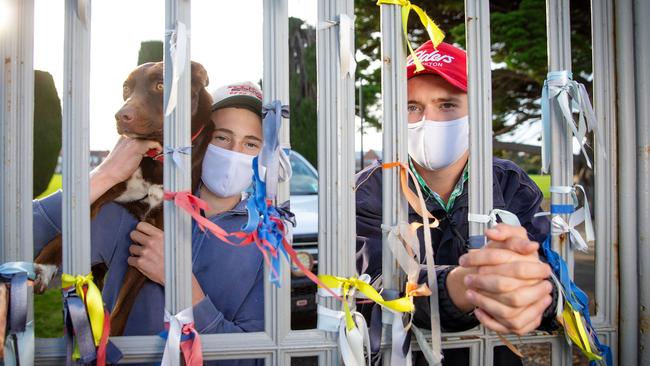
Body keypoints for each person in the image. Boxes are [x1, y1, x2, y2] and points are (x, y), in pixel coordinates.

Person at [33, 81, 267, 366]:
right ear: (201, 138)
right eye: (222, 137)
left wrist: (182, 285)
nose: (235, 153)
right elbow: (18, 243)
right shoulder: (135, 212)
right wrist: (106, 174)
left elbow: (255, 357)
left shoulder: (264, 242)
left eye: (251, 143)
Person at [355, 41, 557, 365]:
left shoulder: (509, 181)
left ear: (476, 111)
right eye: (411, 106)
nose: (427, 120)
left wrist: (533, 289)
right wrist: (462, 286)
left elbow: (552, 273)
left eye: (447, 105)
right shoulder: (369, 188)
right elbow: (370, 286)